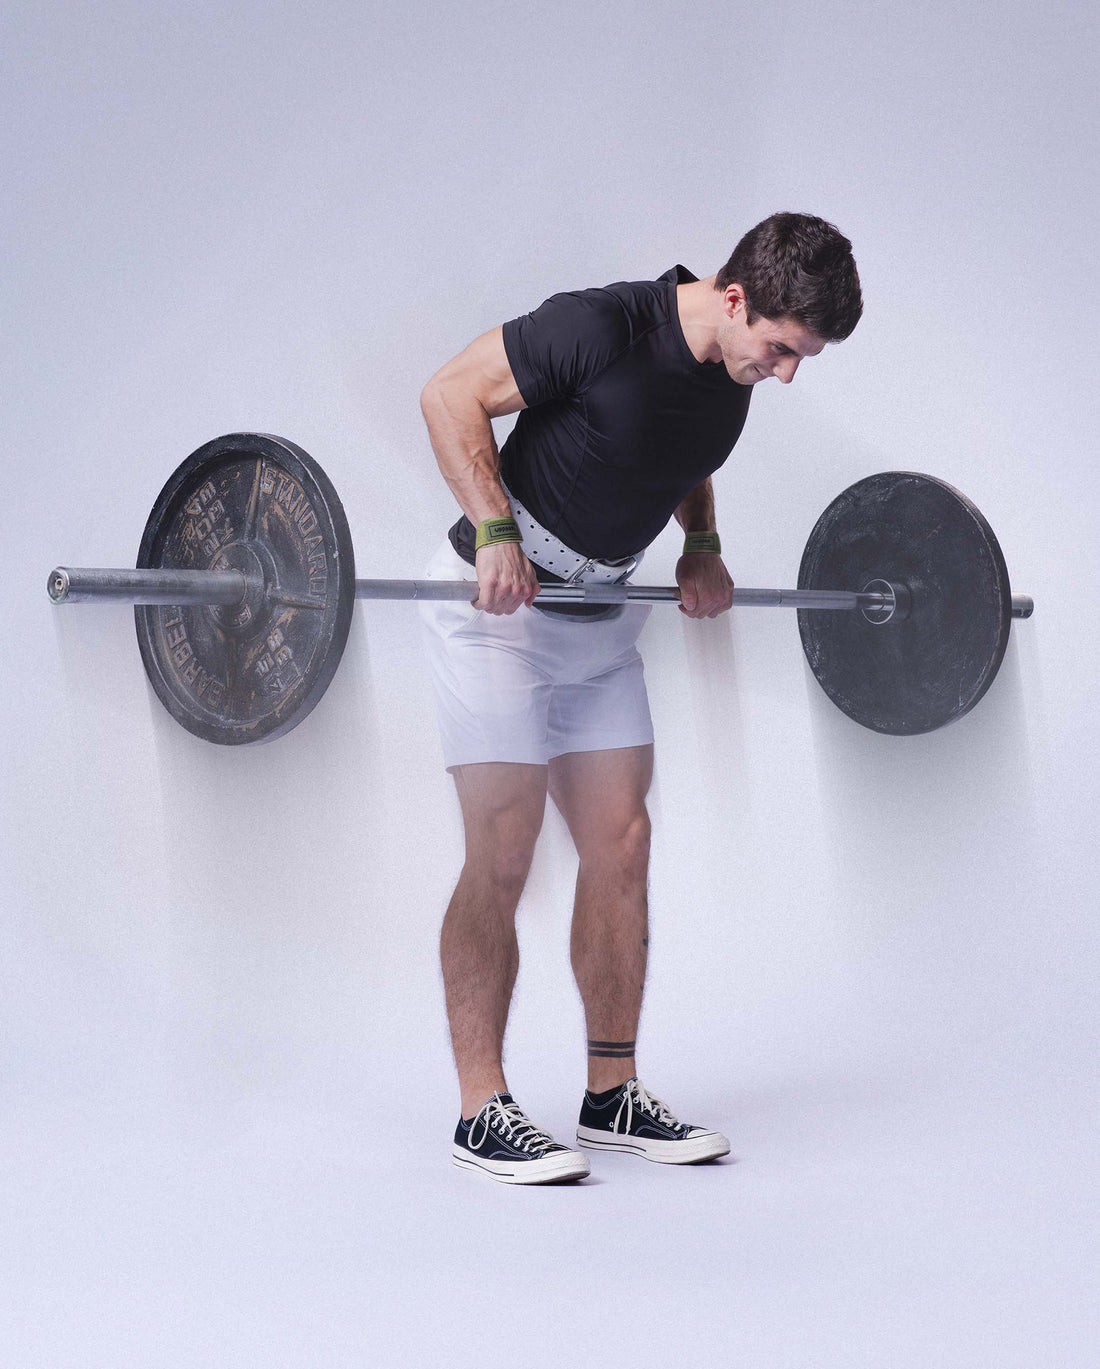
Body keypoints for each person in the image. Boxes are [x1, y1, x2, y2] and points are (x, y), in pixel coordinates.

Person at [417, 212, 862, 1184]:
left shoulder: (728, 379)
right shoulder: (601, 326)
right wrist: (493, 528)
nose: (787, 373)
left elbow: (682, 459)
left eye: (803, 359)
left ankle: (609, 1095)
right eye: (784, 349)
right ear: (735, 298)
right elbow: (448, 393)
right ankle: (479, 1107)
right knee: (504, 849)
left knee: (621, 843)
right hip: (497, 611)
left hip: (600, 620)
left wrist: (700, 543)